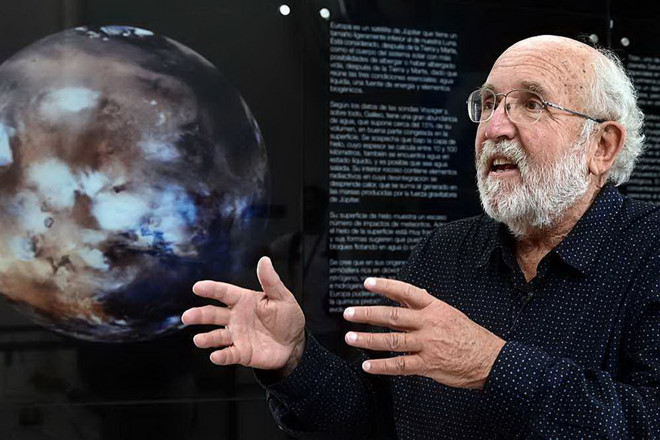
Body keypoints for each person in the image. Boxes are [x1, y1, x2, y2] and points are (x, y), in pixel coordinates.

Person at [181, 35, 660, 439]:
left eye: (531, 104)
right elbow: (371, 418)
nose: (494, 127)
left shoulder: (649, 252)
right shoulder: (444, 253)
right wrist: (294, 361)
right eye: (489, 103)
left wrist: (492, 365)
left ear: (602, 146)